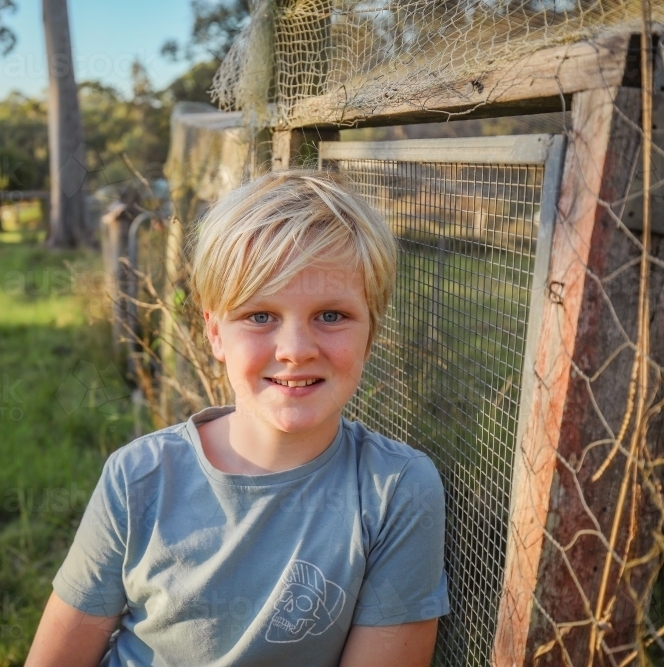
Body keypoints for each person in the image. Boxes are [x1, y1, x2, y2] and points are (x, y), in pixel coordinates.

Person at [25, 170, 449, 667]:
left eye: (331, 315)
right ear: (215, 333)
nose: (294, 350)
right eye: (260, 315)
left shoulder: (394, 490)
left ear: (371, 330)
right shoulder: (138, 477)